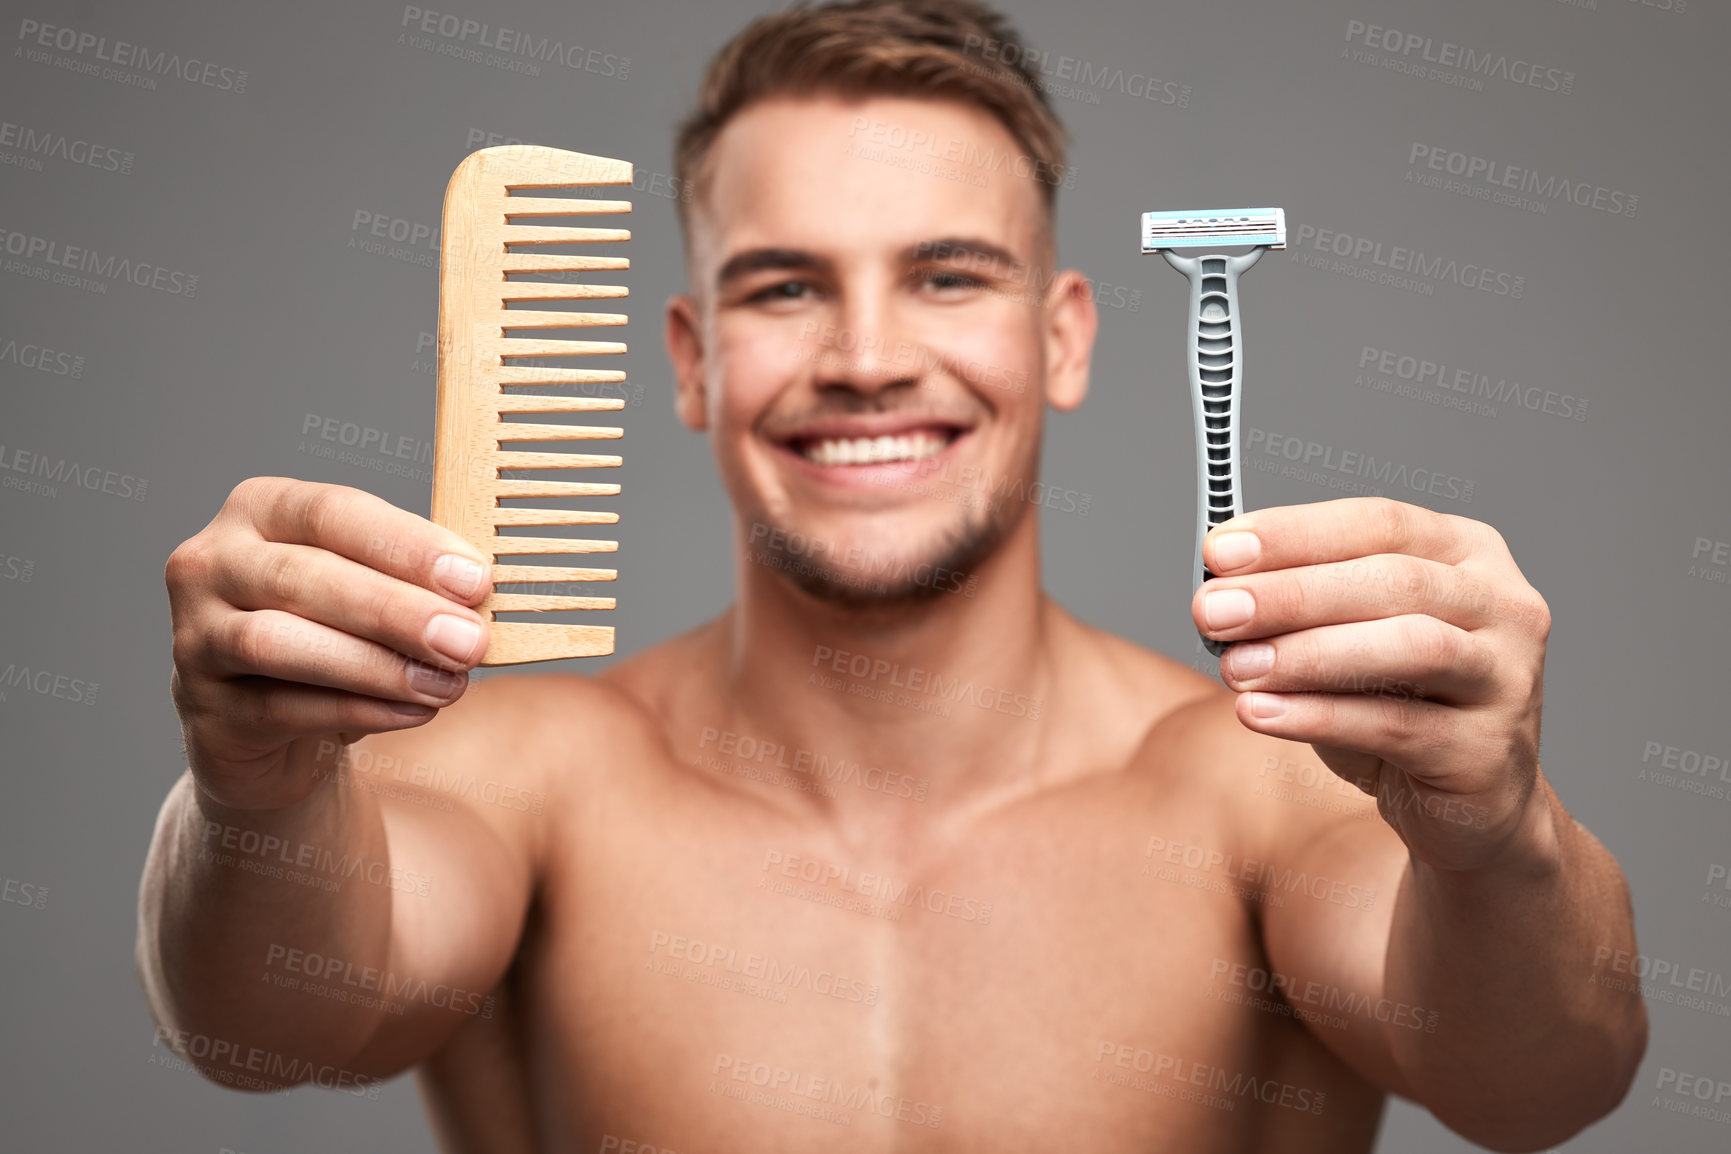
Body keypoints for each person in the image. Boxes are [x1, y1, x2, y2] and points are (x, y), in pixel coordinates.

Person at [138, 1, 1646, 1149]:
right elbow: (268, 1021)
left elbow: (1545, 1077)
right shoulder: (535, 777)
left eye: (947, 274)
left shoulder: (1252, 793)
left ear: (1062, 335)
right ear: (690, 360)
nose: (865, 360)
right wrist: (255, 785)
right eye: (784, 287)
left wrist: (1496, 828)